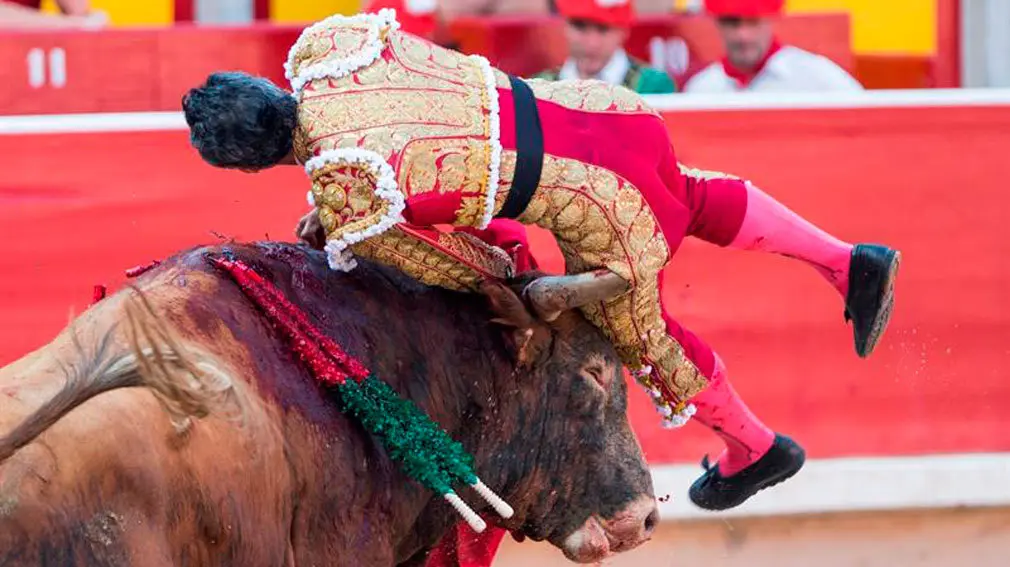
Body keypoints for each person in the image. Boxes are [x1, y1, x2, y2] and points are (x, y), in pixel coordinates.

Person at [182, 5, 899, 546]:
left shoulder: (350, 195)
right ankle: (847, 261)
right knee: (693, 191)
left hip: (599, 203)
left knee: (646, 340)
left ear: (251, 164)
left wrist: (520, 284)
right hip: (598, 111)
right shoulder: (335, 46)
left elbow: (462, 264)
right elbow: (399, 117)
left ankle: (757, 448)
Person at [684, 0, 862, 93]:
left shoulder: (816, 76)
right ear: (717, 24)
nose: (743, 35)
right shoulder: (703, 88)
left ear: (770, 20)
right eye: (732, 23)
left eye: (753, 22)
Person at [535, 0, 677, 93]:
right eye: (580, 26)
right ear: (564, 26)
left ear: (623, 32)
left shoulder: (652, 86)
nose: (591, 43)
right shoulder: (540, 88)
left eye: (603, 29)